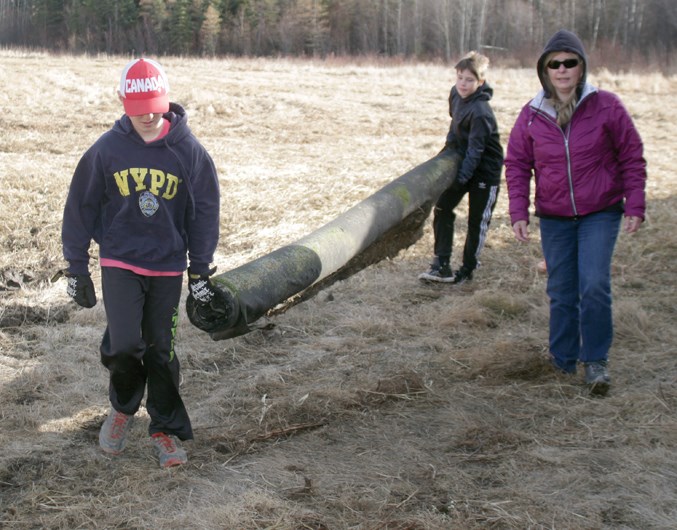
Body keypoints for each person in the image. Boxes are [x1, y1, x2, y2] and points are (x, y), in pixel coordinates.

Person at [59, 58, 222, 467]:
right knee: (126, 344)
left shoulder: (188, 152)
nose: (148, 116)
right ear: (122, 101)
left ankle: (165, 428)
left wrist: (200, 271)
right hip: (120, 261)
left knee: (161, 350)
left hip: (168, 265)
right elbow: (80, 206)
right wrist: (76, 266)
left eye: (155, 105)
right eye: (138, 108)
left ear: (166, 100)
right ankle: (123, 407)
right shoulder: (107, 150)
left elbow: (204, 213)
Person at [504, 30, 647, 395]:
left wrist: (636, 203)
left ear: (581, 67)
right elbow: (517, 164)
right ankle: (562, 359)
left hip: (600, 212)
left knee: (595, 284)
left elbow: (631, 154)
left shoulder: (607, 106)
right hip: (554, 217)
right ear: (545, 70)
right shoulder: (532, 115)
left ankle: (595, 360)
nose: (563, 69)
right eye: (556, 63)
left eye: (570, 62)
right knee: (562, 290)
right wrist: (518, 211)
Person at [419, 51, 503, 284]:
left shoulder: (480, 112)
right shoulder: (455, 95)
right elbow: (454, 125)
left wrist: (462, 178)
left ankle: (467, 269)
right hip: (463, 162)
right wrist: (447, 151)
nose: (463, 84)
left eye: (469, 79)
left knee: (477, 220)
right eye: (460, 77)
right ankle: (441, 264)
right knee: (443, 208)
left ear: (480, 82)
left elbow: (477, 150)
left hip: (485, 171)